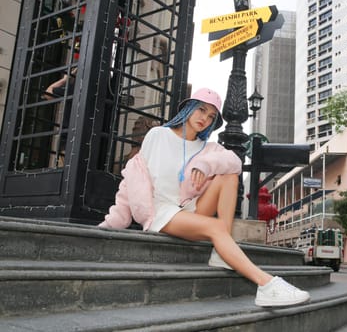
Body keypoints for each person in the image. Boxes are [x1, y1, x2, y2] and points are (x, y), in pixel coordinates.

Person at [98, 88, 310, 307]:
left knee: (228, 175)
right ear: (188, 109)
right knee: (216, 228)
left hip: (190, 208)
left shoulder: (208, 148)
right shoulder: (158, 135)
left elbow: (235, 163)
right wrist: (114, 220)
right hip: (161, 211)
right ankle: (266, 284)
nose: (204, 119)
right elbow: (133, 178)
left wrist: (205, 164)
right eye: (201, 110)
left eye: (211, 116)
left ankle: (221, 251)